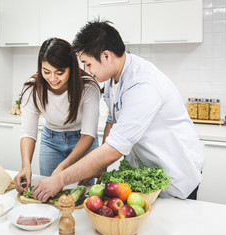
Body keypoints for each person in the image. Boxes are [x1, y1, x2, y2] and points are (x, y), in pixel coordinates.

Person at [32, 20, 205, 201]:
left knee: (172, 225)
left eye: (88, 64)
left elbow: (114, 149)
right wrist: (100, 167)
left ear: (106, 56)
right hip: (149, 168)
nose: (86, 70)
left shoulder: (143, 86)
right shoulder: (114, 78)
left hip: (176, 169)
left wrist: (60, 179)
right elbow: (112, 121)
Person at [14, 38, 101, 193]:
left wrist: (62, 168)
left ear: (71, 68)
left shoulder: (88, 86)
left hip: (83, 142)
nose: (53, 79)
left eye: (59, 73)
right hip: (51, 141)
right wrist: (25, 166)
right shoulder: (32, 88)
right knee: (48, 194)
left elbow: (88, 134)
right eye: (46, 72)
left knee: (83, 193)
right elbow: (28, 132)